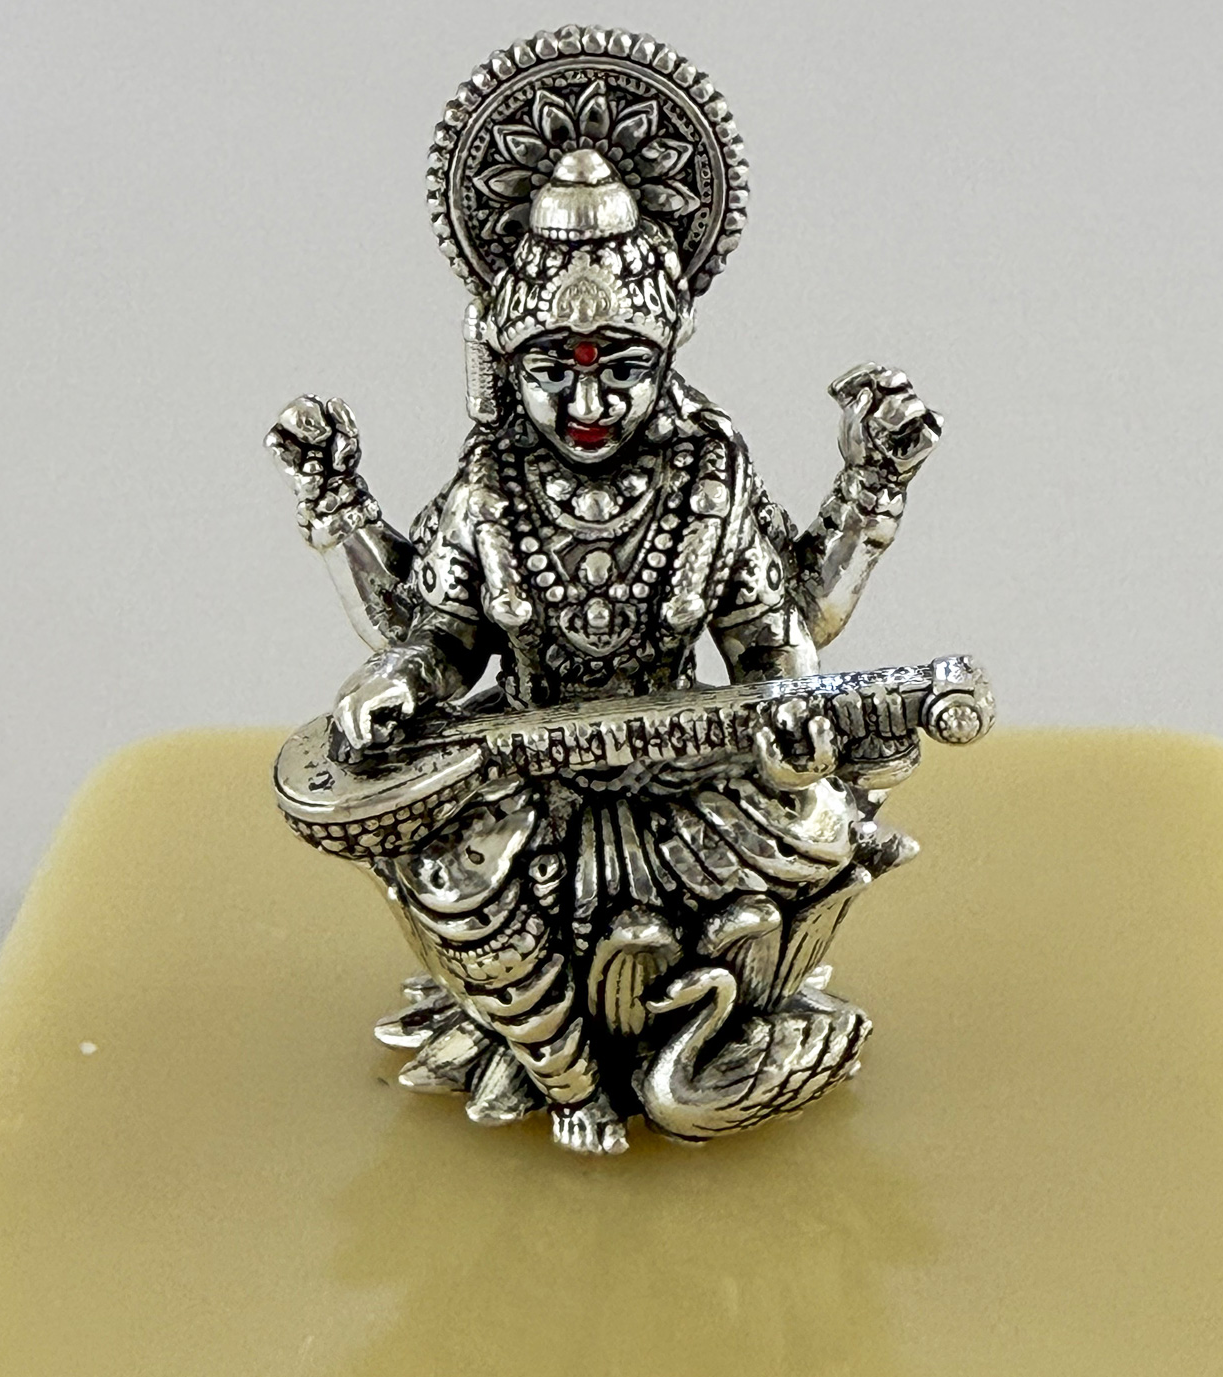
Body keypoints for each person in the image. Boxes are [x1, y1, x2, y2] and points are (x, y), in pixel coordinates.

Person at [270, 150, 941, 1155]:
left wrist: (794, 695)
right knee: (448, 878)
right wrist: (401, 676)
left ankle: (712, 1024)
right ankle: (571, 1076)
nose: (588, 405)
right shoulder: (492, 485)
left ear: (666, 356)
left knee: (820, 826)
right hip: (529, 782)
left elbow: (772, 634)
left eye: (621, 369)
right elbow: (442, 634)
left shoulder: (708, 473)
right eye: (555, 372)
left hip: (687, 774)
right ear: (508, 366)